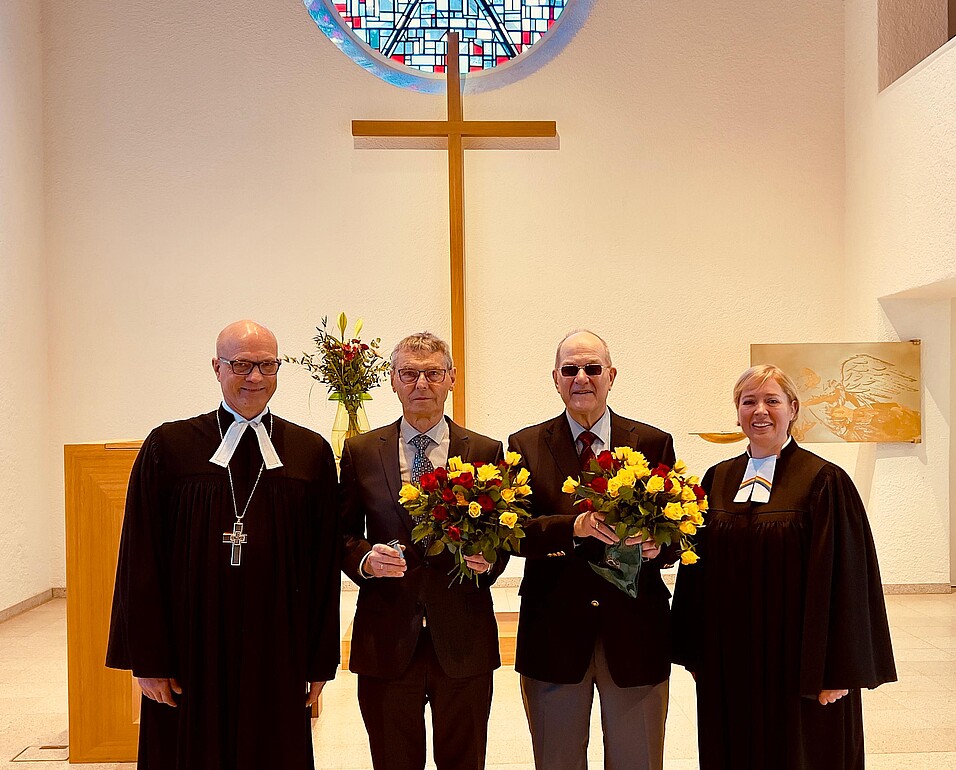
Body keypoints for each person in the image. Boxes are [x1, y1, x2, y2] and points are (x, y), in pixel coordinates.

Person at [107, 320, 340, 770]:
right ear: (217, 367)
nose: (254, 377)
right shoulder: (170, 446)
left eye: (266, 365)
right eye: (241, 365)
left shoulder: (308, 452)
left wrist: (319, 662)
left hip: (278, 646)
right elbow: (140, 557)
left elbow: (322, 568)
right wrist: (148, 660)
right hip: (189, 647)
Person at [671, 364, 897, 770]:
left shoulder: (824, 480)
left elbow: (849, 579)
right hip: (731, 664)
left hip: (801, 666)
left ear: (792, 409)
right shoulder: (718, 479)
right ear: (737, 412)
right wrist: (696, 653)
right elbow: (696, 570)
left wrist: (838, 670)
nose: (760, 411)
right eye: (749, 401)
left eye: (772, 401)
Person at [508, 330, 676, 770]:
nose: (581, 378)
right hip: (554, 634)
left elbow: (678, 530)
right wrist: (573, 528)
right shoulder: (524, 445)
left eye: (592, 368)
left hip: (635, 633)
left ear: (611, 376)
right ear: (555, 379)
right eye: (570, 369)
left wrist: (659, 546)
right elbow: (516, 533)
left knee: (638, 762)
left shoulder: (652, 442)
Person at [339, 332, 505, 770]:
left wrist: (489, 561)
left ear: (451, 378)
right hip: (387, 637)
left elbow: (502, 535)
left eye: (432, 373)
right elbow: (340, 534)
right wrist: (365, 559)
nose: (421, 384)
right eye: (409, 374)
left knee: (464, 762)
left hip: (463, 637)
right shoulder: (360, 452)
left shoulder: (485, 450)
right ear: (393, 380)